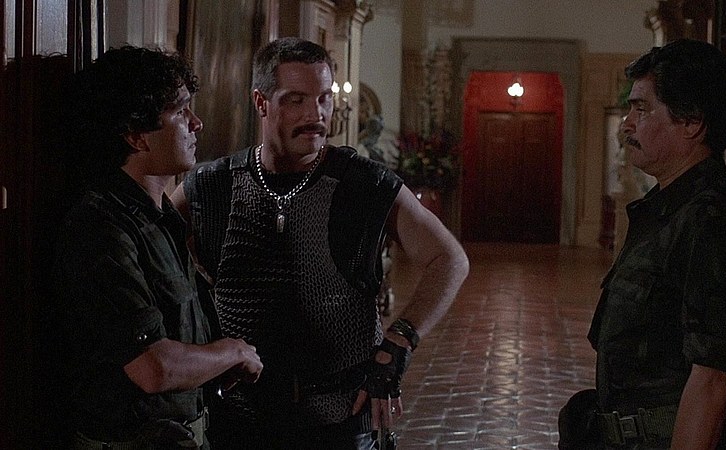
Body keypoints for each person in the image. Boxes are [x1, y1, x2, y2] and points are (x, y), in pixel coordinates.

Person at [170, 37, 469, 449]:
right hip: (240, 420)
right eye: (296, 100)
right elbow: (152, 256)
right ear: (261, 103)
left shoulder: (363, 184)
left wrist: (399, 341)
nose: (316, 115)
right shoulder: (212, 186)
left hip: (340, 420)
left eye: (324, 98)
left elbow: (449, 259)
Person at [52, 46, 263, 449]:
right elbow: (153, 367)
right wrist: (232, 352)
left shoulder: (161, 217)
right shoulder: (101, 225)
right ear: (135, 135)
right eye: (181, 112)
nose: (196, 123)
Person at [565, 39, 726, 449]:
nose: (627, 124)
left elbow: (713, 379)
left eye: (641, 109)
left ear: (691, 122)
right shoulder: (668, 210)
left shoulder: (712, 222)